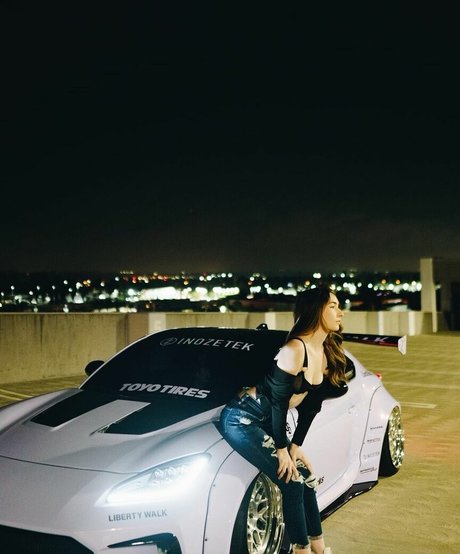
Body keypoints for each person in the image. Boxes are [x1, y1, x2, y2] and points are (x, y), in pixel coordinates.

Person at [219, 285, 349, 554]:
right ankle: (300, 550)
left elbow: (311, 408)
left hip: (267, 421)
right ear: (316, 311)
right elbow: (278, 403)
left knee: (306, 478)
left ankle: (319, 548)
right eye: (333, 306)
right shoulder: (294, 349)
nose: (341, 313)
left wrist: (295, 447)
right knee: (292, 482)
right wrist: (281, 449)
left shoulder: (322, 352)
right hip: (242, 418)